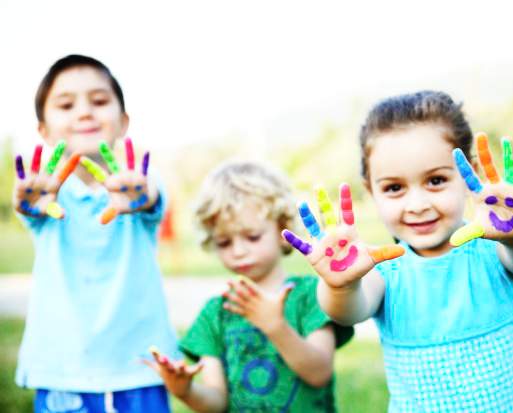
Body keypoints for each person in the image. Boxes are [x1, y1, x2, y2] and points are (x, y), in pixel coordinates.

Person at [283, 91, 513, 412]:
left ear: (470, 176)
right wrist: (339, 283)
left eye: (436, 180)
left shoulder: (497, 253)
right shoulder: (384, 274)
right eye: (394, 188)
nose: (417, 205)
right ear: (371, 190)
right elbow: (347, 310)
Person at [13, 54, 178, 412]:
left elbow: (149, 197)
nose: (85, 112)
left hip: (139, 370)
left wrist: (141, 195)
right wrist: (27, 203)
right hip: (63, 372)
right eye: (66, 104)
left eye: (99, 101)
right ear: (43, 129)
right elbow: (28, 207)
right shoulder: (45, 196)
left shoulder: (139, 185)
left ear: (123, 122)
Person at [146, 160, 354, 412]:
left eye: (252, 237)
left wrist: (275, 326)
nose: (239, 251)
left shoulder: (312, 294)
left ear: (283, 228)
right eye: (223, 242)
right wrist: (185, 391)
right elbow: (216, 402)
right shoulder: (216, 314)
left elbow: (319, 372)